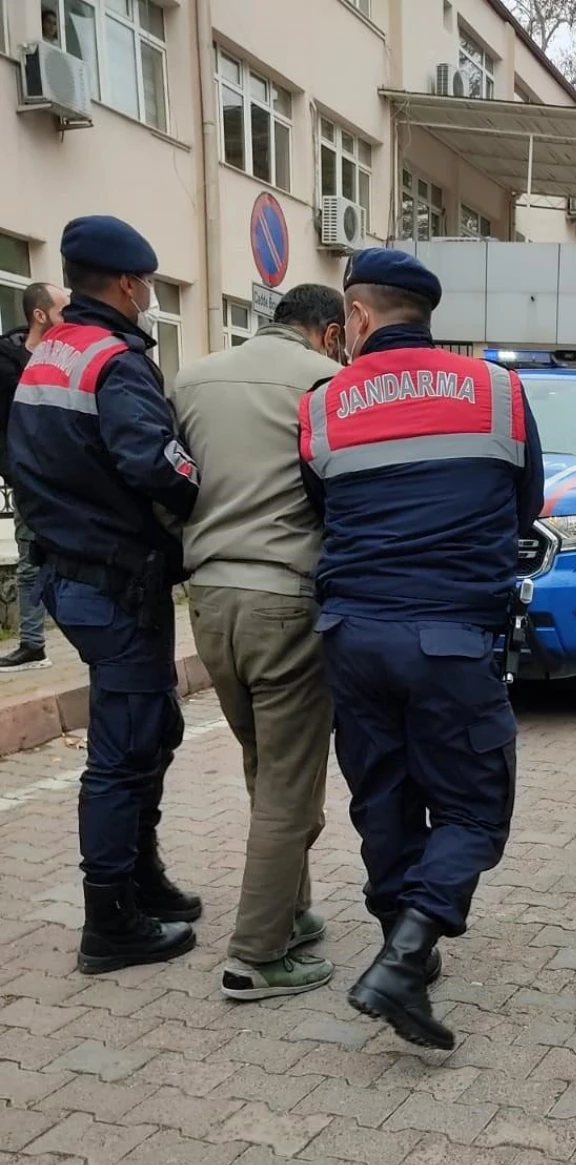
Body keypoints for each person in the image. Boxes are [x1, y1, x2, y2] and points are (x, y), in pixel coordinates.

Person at [299, 247, 544, 1050]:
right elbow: (525, 506)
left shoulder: (324, 403)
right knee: (474, 805)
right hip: (450, 636)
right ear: (423, 314)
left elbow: (321, 506)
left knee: (384, 794)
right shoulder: (500, 394)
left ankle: (399, 942)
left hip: (353, 634)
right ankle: (406, 956)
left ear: (359, 317)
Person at [8, 216, 202, 972]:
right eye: (149, 285)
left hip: (67, 571)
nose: (150, 297)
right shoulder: (115, 362)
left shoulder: (47, 351)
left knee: (151, 728)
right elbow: (155, 462)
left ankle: (142, 881)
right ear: (127, 283)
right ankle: (111, 919)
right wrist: (201, 491)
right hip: (115, 579)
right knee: (126, 748)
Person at [168, 285, 345, 1001]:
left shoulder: (193, 380)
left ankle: (291, 911)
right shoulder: (329, 384)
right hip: (285, 599)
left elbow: (166, 482)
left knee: (262, 763)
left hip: (209, 600)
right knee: (287, 784)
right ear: (330, 333)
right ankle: (256, 955)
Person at [0, 281, 68, 671]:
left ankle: (83, 632)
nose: (70, 318)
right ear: (40, 315)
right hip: (28, 479)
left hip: (68, 478)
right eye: (63, 310)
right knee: (30, 562)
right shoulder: (7, 362)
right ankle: (32, 643)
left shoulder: (70, 357)